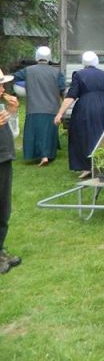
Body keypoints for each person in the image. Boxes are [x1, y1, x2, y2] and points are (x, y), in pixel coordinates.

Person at [54, 51, 104, 179]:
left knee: (83, 134)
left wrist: (60, 113)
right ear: (97, 61)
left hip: (86, 107)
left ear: (83, 62)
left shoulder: (79, 75)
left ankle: (87, 166)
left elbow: (71, 96)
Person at [14, 46, 66, 167]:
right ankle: (46, 155)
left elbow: (14, 77)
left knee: (35, 132)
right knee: (48, 133)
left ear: (37, 56)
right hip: (52, 108)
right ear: (49, 58)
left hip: (34, 107)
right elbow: (62, 90)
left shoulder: (28, 70)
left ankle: (39, 155)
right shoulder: (56, 72)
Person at [0, 68, 21, 274]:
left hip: (5, 159)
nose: (3, 88)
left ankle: (0, 249)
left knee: (3, 209)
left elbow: (13, 133)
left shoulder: (1, 106)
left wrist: (13, 113)